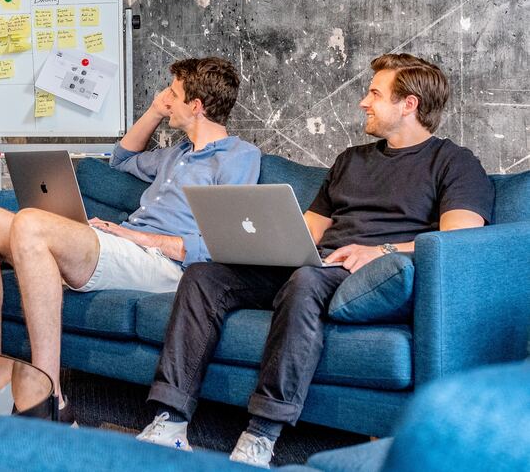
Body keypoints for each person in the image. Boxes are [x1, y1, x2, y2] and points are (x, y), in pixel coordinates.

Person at [137, 54, 494, 467]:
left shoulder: (454, 162)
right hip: (318, 266)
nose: (363, 101)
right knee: (204, 276)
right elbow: (307, 231)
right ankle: (170, 420)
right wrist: (260, 245)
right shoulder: (351, 160)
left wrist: (380, 250)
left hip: (374, 275)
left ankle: (261, 433)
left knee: (305, 280)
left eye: (375, 93)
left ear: (408, 104)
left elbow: (459, 239)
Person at [0, 57, 262, 421]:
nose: (165, 97)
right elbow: (121, 158)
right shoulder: (176, 154)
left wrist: (136, 235)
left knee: (32, 224)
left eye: (173, 94)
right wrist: (153, 111)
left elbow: (220, 244)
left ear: (195, 106)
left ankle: (50, 396)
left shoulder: (238, 157)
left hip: (164, 265)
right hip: (125, 249)